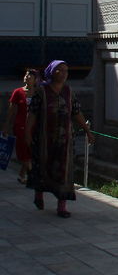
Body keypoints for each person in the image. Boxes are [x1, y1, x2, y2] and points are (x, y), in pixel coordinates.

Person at [26, 60, 94, 218]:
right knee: (42, 165)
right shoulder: (41, 92)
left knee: (64, 170)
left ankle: (62, 206)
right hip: (44, 138)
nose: (64, 74)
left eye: (66, 71)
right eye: (60, 70)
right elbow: (33, 114)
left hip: (64, 140)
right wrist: (27, 133)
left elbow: (76, 112)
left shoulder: (69, 92)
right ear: (52, 72)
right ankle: (39, 194)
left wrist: (87, 130)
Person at [1, 68, 39, 184]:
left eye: (30, 76)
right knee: (22, 151)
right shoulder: (18, 92)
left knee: (32, 152)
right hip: (21, 126)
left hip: (35, 127)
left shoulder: (39, 93)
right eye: (26, 75)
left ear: (35, 80)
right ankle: (34, 175)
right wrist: (6, 126)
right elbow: (11, 111)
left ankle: (22, 175)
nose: (27, 77)